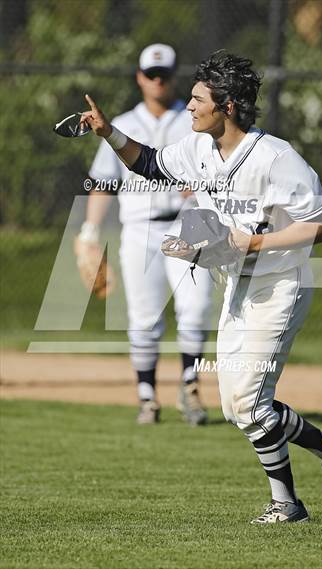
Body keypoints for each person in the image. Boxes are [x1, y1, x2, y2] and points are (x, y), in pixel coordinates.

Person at [79, 51, 322, 523]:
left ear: (228, 105)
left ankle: (287, 505)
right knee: (239, 409)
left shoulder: (276, 157)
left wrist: (253, 240)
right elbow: (149, 164)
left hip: (279, 285)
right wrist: (107, 132)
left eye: (198, 99)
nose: (189, 107)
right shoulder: (197, 149)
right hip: (238, 286)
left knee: (250, 404)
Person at [75, 44, 213, 426]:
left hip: (190, 225)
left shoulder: (193, 121)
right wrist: (89, 233)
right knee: (144, 318)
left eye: (164, 75)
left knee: (196, 308)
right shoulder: (123, 123)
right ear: (139, 77)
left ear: (173, 77)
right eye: (151, 75)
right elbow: (102, 183)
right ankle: (147, 397)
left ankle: (190, 387)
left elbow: (215, 168)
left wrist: (201, 186)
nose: (158, 81)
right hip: (139, 229)